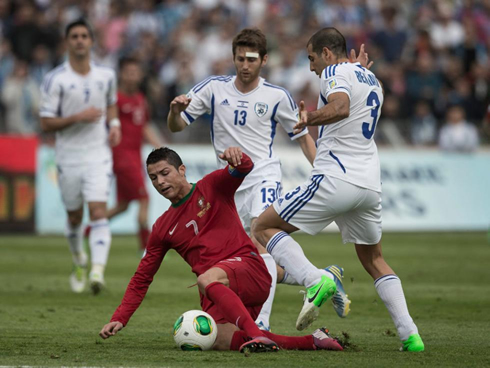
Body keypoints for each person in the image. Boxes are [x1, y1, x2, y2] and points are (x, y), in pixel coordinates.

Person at [253, 27, 425, 352]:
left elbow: (341, 106)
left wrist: (309, 118)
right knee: (374, 258)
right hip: (370, 184)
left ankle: (316, 280)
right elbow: (354, 98)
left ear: (328, 54)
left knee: (262, 226)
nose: (311, 66)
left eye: (312, 58)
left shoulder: (333, 71)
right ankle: (411, 336)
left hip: (337, 177)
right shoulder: (370, 78)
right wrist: (357, 68)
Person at [167, 28, 350, 331]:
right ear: (234, 58)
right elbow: (176, 127)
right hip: (229, 187)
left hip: (263, 175)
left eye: (251, 59)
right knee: (252, 259)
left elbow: (303, 138)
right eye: (240, 58)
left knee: (261, 237)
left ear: (264, 60)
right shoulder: (214, 89)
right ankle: (322, 277)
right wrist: (175, 112)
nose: (245, 65)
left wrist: (323, 172)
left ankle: (261, 325)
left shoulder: (277, 96)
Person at [99, 146, 343, 353]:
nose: (160, 182)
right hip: (218, 292)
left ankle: (257, 334)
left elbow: (244, 168)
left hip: (248, 269)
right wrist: (120, 317)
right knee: (217, 340)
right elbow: (142, 277)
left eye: (165, 173)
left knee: (207, 278)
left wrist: (238, 156)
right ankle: (313, 341)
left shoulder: (212, 186)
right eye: (153, 178)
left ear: (181, 170)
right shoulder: (162, 227)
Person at [39, 19, 121, 295]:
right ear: (67, 42)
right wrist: (78, 117)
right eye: (74, 36)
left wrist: (115, 126)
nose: (80, 40)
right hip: (68, 156)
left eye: (84, 36)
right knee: (74, 217)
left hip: (98, 154)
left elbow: (110, 105)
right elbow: (46, 123)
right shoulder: (56, 79)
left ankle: (97, 271)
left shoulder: (106, 76)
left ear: (91, 41)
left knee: (98, 211)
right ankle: (78, 260)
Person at [107, 57, 162, 252]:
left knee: (123, 205)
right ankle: (145, 248)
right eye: (128, 72)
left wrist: (159, 146)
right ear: (121, 74)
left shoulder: (140, 99)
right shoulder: (115, 100)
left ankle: (90, 229)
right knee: (144, 198)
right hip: (122, 157)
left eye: (135, 72)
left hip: (136, 157)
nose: (132, 76)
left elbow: (144, 126)